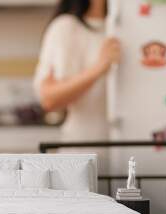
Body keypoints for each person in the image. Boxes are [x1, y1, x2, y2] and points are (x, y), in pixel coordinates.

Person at [34, 0, 120, 141]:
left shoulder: (125, 28)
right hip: (83, 148)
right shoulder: (65, 27)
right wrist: (99, 67)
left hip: (129, 152)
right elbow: (49, 99)